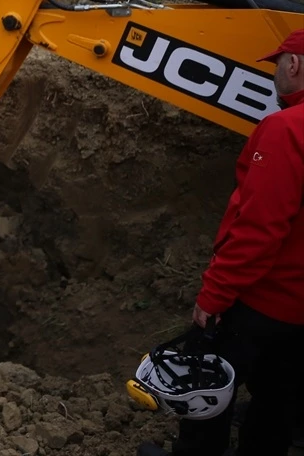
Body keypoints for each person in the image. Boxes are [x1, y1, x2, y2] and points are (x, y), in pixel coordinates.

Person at [138, 29, 304, 456]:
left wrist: (214, 295)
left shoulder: (286, 129)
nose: (274, 74)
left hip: (264, 300)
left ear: (294, 64)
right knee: (278, 402)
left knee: (206, 390)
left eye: (277, 64)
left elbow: (259, 229)